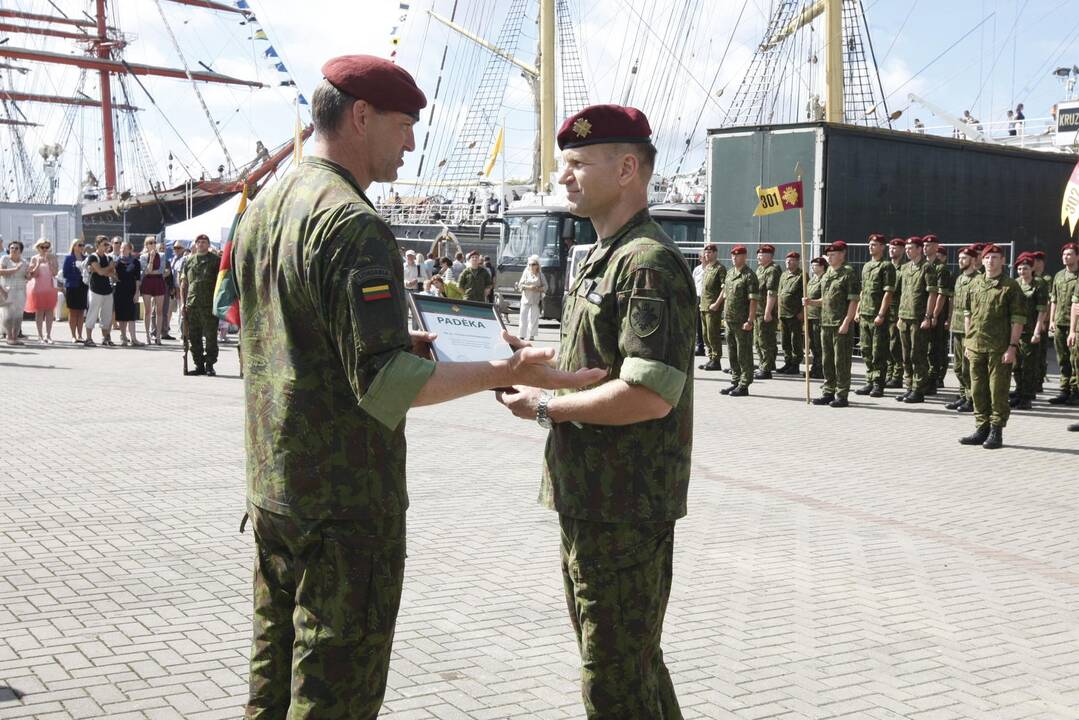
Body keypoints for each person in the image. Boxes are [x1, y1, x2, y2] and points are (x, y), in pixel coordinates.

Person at [230, 55, 603, 720]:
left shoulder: (268, 204)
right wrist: (502, 370)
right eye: (403, 126)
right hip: (343, 508)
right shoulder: (351, 221)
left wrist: (401, 344)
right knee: (332, 693)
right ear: (361, 116)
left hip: (276, 488)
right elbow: (386, 385)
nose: (410, 143)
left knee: (273, 677)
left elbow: (293, 327)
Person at [496, 103, 694, 719]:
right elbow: (599, 363)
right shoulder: (602, 256)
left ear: (628, 168)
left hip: (625, 506)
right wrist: (537, 362)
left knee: (613, 677)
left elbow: (650, 394)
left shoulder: (646, 263)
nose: (564, 176)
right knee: (631, 663)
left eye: (579, 163)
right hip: (593, 498)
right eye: (565, 164)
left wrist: (545, 407)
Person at [960, 244, 1024, 449]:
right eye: (987, 258)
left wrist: (1012, 347)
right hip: (976, 345)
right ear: (982, 260)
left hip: (999, 347)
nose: (991, 261)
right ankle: (981, 427)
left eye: (995, 257)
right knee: (977, 389)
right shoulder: (976, 283)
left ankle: (996, 431)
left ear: (1003, 261)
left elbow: (1018, 319)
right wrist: (968, 343)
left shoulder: (1010, 286)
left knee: (998, 391)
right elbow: (968, 314)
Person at [805, 240, 859, 407]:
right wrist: (811, 302)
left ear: (842, 254)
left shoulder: (848, 273)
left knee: (840, 361)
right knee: (827, 360)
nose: (829, 257)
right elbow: (826, 299)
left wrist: (847, 322)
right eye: (828, 255)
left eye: (833, 254)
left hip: (839, 324)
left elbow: (853, 301)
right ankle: (828, 391)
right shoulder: (827, 274)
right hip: (826, 323)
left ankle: (842, 394)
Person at [894, 236, 937, 403]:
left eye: (911, 248)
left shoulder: (927, 268)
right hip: (904, 316)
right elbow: (902, 293)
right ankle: (909, 386)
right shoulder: (904, 268)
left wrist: (928, 316)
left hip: (918, 318)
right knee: (905, 355)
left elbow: (932, 293)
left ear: (920, 249)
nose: (907, 251)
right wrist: (899, 316)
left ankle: (919, 389)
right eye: (906, 248)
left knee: (917, 354)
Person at [855, 234, 895, 396]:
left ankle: (878, 383)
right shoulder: (866, 266)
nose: (871, 247)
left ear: (882, 247)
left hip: (877, 315)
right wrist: (858, 310)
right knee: (865, 349)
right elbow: (863, 290)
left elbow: (888, 293)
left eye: (875, 244)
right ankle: (869, 380)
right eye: (870, 244)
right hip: (865, 313)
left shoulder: (886, 266)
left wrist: (881, 314)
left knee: (878, 350)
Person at [1011, 253, 1048, 410]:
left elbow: (1041, 311)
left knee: (1028, 365)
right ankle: (1019, 392)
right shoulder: (1015, 284)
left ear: (1031, 268)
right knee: (1016, 365)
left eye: (1025, 268)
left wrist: (1037, 332)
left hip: (1030, 331)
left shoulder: (1038, 285)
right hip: (1016, 330)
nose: (1022, 271)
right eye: (1019, 269)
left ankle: (1027, 397)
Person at [720, 244, 758, 396]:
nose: (734, 258)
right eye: (732, 255)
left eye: (738, 255)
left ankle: (744, 383)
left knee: (744, 353)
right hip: (729, 320)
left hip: (742, 321)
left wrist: (750, 320)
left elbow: (753, 300)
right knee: (731, 351)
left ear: (744, 257)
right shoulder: (730, 273)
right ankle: (735, 380)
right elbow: (726, 295)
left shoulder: (749, 276)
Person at [180, 233, 221, 375]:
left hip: (209, 304)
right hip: (192, 304)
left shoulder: (216, 260)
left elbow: (222, 282)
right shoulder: (189, 261)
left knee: (210, 337)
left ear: (208, 245)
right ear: (195, 245)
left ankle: (210, 365)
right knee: (194, 337)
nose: (201, 244)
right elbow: (184, 283)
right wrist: (182, 303)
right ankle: (199, 365)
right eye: (199, 242)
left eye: (204, 242)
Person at [945, 246, 979, 412]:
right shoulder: (959, 279)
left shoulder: (979, 279)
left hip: (970, 330)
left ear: (973, 260)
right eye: (959, 258)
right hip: (957, 327)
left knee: (968, 367)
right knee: (958, 366)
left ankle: (972, 398)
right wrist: (950, 319)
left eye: (964, 258)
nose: (960, 261)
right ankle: (963, 395)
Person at [1048, 242, 1079, 404]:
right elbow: (1054, 299)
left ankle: (1076, 392)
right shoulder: (1059, 275)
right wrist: (1052, 319)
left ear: (1077, 256)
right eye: (1064, 254)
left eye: (1069, 254)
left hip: (1076, 326)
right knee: (1062, 358)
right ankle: (1064, 390)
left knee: (1076, 359)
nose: (1065, 257)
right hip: (1060, 322)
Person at [923, 235, 952, 393]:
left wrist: (934, 315)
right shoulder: (924, 265)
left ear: (936, 247)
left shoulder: (941, 268)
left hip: (936, 315)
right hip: (924, 313)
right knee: (923, 348)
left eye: (929, 245)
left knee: (933, 348)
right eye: (924, 245)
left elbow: (941, 295)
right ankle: (925, 379)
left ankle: (933, 381)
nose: (926, 247)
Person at [753, 244, 781, 379]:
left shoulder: (773, 270)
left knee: (766, 340)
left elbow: (772, 293)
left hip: (765, 310)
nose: (758, 257)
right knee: (758, 340)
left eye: (762, 254)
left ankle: (766, 368)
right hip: (757, 310)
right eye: (758, 254)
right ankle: (764, 363)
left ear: (770, 256)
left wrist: (768, 312)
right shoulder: (760, 269)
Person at [776, 250, 805, 375]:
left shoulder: (802, 276)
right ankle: (787, 362)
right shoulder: (783, 275)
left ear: (797, 262)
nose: (788, 263)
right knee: (785, 340)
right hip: (783, 313)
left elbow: (806, 295)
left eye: (791, 260)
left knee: (795, 340)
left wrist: (803, 312)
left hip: (794, 314)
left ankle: (795, 364)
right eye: (787, 261)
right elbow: (779, 294)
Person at [697, 243, 726, 371]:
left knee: (713, 333)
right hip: (703, 305)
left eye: (709, 252)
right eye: (706, 253)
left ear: (715, 253)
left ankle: (716, 359)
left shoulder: (720, 268)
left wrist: (717, 304)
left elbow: (724, 288)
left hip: (713, 307)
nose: (707, 255)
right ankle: (710, 358)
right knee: (705, 334)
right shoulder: (707, 267)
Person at [84, 235, 116, 346]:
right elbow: (103, 272)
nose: (107, 246)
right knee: (92, 313)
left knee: (106, 315)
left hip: (107, 289)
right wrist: (106, 269)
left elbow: (112, 273)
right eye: (105, 244)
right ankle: (88, 338)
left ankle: (106, 338)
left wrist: (101, 270)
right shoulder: (93, 257)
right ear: (98, 245)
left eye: (108, 244)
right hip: (95, 289)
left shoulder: (109, 258)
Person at [25, 238, 59, 343]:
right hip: (38, 288)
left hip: (50, 288)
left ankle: (48, 335)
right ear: (38, 247)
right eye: (42, 247)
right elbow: (33, 275)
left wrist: (49, 263)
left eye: (47, 247)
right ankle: (40, 335)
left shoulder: (52, 257)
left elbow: (55, 273)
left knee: (49, 311)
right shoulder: (34, 258)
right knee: (39, 311)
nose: (45, 249)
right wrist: (38, 264)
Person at [885, 237, 907, 388]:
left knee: (895, 345)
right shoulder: (886, 267)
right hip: (885, 311)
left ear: (902, 250)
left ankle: (897, 375)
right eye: (890, 247)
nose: (892, 250)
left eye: (895, 248)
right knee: (886, 344)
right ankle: (889, 373)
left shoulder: (904, 269)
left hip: (897, 310)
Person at [112, 239, 143, 346]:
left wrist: (137, 293)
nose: (122, 249)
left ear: (130, 249)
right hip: (119, 291)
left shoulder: (135, 262)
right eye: (121, 247)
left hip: (131, 291)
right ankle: (123, 337)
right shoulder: (116, 262)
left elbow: (138, 279)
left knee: (131, 316)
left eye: (124, 248)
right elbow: (113, 276)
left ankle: (134, 338)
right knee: (121, 315)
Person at [139, 237, 168, 345]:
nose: (153, 244)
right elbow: (146, 271)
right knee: (147, 311)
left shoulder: (162, 255)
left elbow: (161, 270)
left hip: (158, 282)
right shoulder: (143, 257)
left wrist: (151, 271)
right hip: (147, 283)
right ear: (146, 245)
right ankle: (147, 335)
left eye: (154, 242)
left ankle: (158, 336)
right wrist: (151, 258)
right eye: (150, 243)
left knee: (159, 311)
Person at [0, 240, 28, 344]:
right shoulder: (5, 259)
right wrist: (15, 269)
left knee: (18, 315)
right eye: (12, 248)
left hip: (21, 290)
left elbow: (26, 276)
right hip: (7, 290)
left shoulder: (24, 262)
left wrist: (29, 274)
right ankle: (9, 336)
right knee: (8, 314)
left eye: (16, 248)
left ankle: (15, 337)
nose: (14, 250)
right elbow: (1, 272)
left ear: (20, 250)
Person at [62, 238, 89, 343]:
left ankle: (80, 335)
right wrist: (78, 274)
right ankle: (73, 335)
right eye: (79, 245)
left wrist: (86, 273)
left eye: (82, 245)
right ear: (74, 246)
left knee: (81, 312)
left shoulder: (85, 258)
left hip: (83, 286)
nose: (81, 247)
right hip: (72, 286)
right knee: (73, 312)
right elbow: (65, 274)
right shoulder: (69, 258)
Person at [515, 254, 547, 341]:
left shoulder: (541, 275)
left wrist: (538, 289)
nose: (531, 266)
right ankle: (521, 335)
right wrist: (529, 287)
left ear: (537, 265)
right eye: (529, 264)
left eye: (533, 264)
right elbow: (520, 285)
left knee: (534, 318)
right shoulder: (526, 273)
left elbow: (546, 287)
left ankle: (532, 335)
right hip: (525, 299)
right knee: (523, 317)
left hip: (536, 300)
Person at [806, 256, 826, 379]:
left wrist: (811, 302)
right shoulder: (813, 279)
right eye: (812, 265)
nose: (813, 267)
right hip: (810, 315)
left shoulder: (824, 279)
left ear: (822, 266)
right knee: (813, 344)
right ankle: (815, 367)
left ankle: (820, 368)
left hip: (819, 316)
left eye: (816, 265)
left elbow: (825, 299)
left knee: (819, 344)